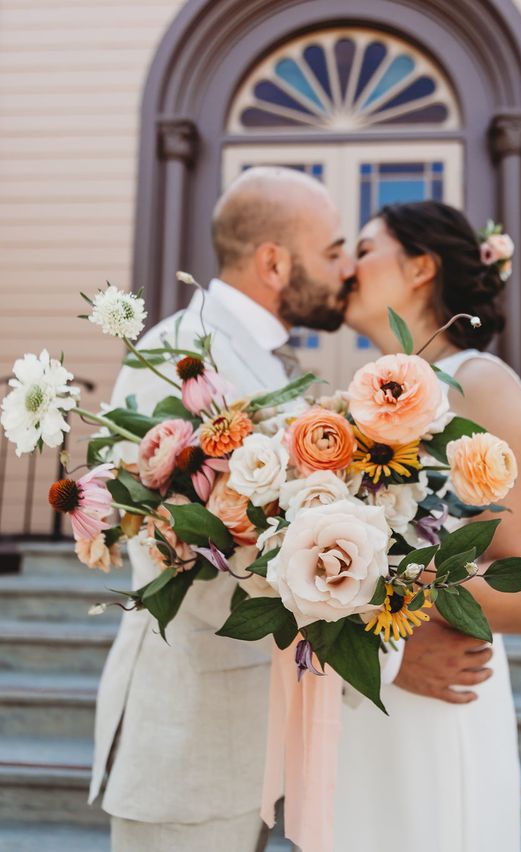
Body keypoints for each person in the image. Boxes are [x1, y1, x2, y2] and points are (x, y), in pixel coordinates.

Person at [90, 166, 356, 852]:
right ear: (274, 261)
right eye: (333, 250)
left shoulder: (261, 354)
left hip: (250, 736)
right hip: (192, 742)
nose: (346, 268)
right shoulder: (183, 356)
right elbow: (173, 547)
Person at [335, 200, 521, 852]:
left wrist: (386, 576)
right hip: (373, 682)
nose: (348, 265)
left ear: (421, 268)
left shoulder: (482, 385)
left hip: (438, 701)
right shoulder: (368, 399)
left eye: (367, 247)